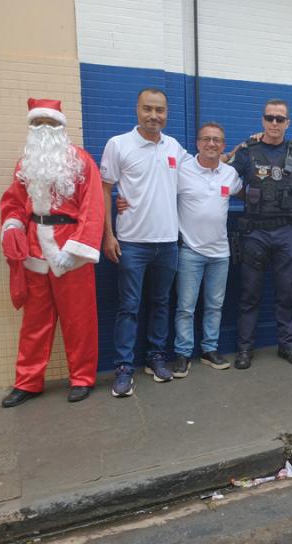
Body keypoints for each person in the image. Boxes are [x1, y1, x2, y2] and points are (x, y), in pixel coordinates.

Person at [0, 98, 104, 407]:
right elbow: (14, 203)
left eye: (50, 123)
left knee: (79, 320)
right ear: (31, 127)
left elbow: (93, 208)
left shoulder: (81, 162)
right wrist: (12, 226)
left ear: (61, 126)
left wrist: (76, 250)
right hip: (35, 250)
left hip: (71, 251)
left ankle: (82, 378)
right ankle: (28, 382)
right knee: (34, 322)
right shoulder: (25, 165)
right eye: (38, 123)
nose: (44, 128)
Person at [118, 123, 242, 376]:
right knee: (185, 307)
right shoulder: (182, 170)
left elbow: (248, 193)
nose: (211, 144)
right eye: (206, 139)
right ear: (197, 143)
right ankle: (183, 354)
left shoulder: (230, 174)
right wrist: (125, 200)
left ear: (223, 145)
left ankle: (209, 350)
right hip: (190, 251)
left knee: (215, 306)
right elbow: (155, 190)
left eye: (217, 140)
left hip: (221, 252)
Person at [101, 88, 190, 397]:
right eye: (148, 109)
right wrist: (108, 234)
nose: (154, 115)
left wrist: (240, 149)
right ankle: (124, 368)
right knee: (128, 307)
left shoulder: (174, 146)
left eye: (160, 110)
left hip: (167, 242)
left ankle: (156, 358)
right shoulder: (118, 144)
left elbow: (203, 167)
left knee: (161, 303)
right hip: (132, 243)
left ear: (167, 113)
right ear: (137, 110)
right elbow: (105, 189)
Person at [229, 99, 292, 369]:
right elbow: (224, 177)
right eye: (270, 118)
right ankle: (245, 348)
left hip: (285, 232)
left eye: (280, 119)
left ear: (288, 123)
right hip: (255, 232)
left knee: (286, 292)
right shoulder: (247, 151)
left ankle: (286, 345)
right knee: (249, 292)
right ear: (263, 120)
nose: (274, 123)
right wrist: (249, 197)